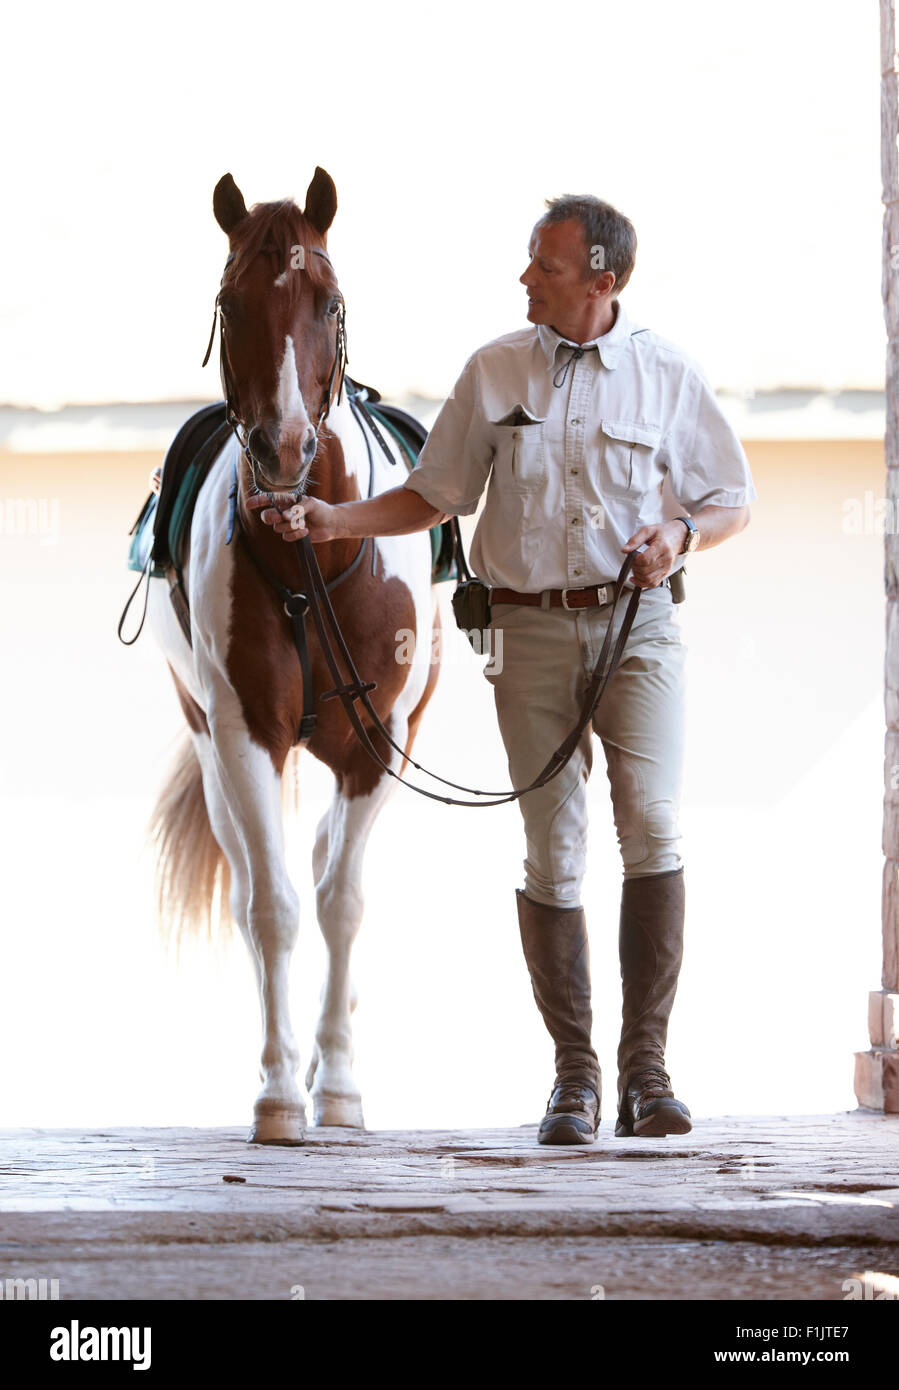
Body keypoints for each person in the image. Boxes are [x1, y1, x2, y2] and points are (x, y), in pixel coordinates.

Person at [247, 194, 756, 1144]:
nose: (525, 279)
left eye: (546, 267)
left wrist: (681, 536)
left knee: (650, 826)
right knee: (550, 849)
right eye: (528, 262)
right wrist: (333, 521)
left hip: (637, 629)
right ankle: (575, 1079)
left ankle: (648, 1072)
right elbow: (433, 495)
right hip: (523, 634)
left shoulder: (666, 372)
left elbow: (731, 498)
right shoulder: (493, 370)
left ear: (601, 282)